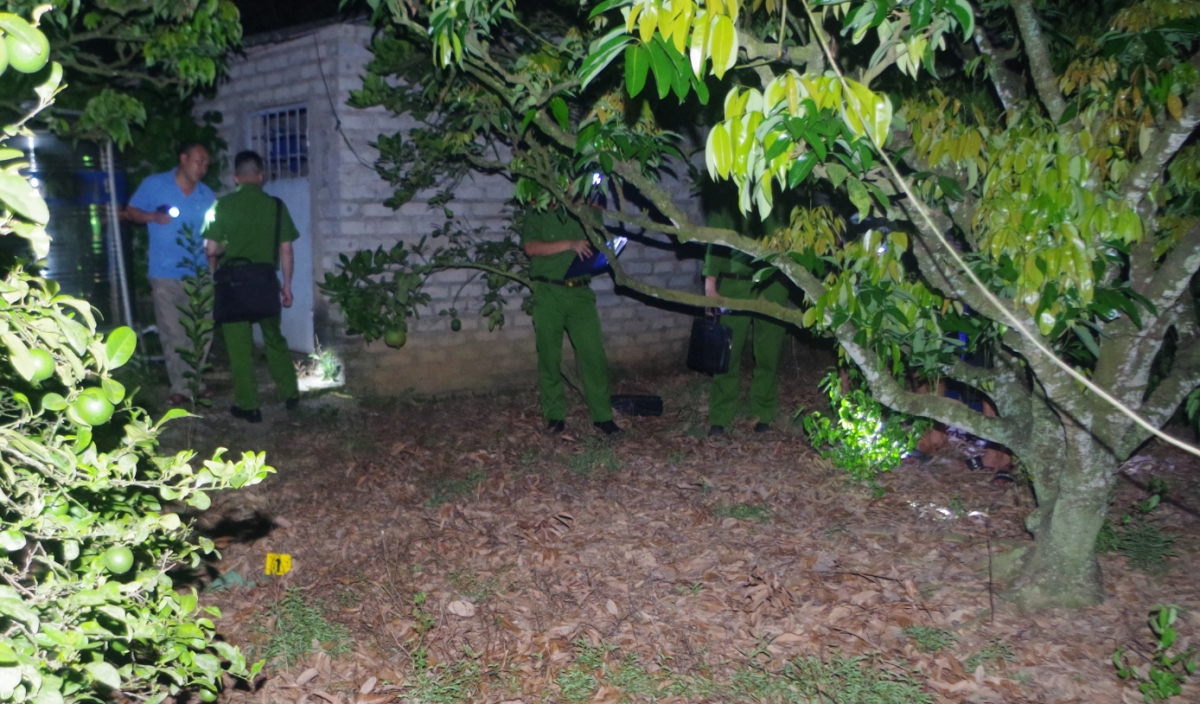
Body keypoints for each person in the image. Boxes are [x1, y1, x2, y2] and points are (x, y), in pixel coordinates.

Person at [202, 151, 300, 423]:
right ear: (261, 176)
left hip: (233, 286)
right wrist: (288, 286)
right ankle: (291, 394)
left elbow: (211, 250)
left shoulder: (221, 206)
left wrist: (214, 280)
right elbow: (287, 250)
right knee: (274, 339)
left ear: (236, 178)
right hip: (265, 283)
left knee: (239, 348)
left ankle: (249, 407)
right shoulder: (276, 207)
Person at [125, 142, 215, 406]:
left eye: (206, 164)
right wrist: (153, 216)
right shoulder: (155, 184)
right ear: (183, 159)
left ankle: (195, 381)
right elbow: (131, 211)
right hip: (165, 271)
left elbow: (213, 235)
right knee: (174, 331)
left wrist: (212, 269)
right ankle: (181, 386)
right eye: (198, 161)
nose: (203, 167)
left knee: (201, 329)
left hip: (199, 273)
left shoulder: (206, 194)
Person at [522, 203, 620, 435]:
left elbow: (596, 244)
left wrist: (606, 250)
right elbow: (531, 247)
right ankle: (555, 416)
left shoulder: (589, 209)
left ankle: (603, 417)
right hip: (548, 292)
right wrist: (569, 244)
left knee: (593, 354)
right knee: (549, 355)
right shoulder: (538, 208)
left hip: (581, 293)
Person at [702, 191, 793, 437]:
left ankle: (763, 413)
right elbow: (715, 242)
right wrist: (710, 284)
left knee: (768, 353)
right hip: (735, 285)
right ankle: (720, 416)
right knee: (727, 352)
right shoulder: (727, 198)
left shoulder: (781, 198)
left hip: (773, 285)